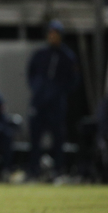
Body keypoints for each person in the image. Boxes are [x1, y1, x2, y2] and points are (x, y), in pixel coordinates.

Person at [27, 20, 80, 180]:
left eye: (56, 34)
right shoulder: (40, 54)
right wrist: (38, 88)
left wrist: (59, 91)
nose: (53, 37)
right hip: (39, 102)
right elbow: (31, 73)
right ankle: (33, 171)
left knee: (58, 139)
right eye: (51, 34)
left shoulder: (67, 56)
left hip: (56, 105)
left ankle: (58, 170)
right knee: (35, 138)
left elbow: (73, 80)